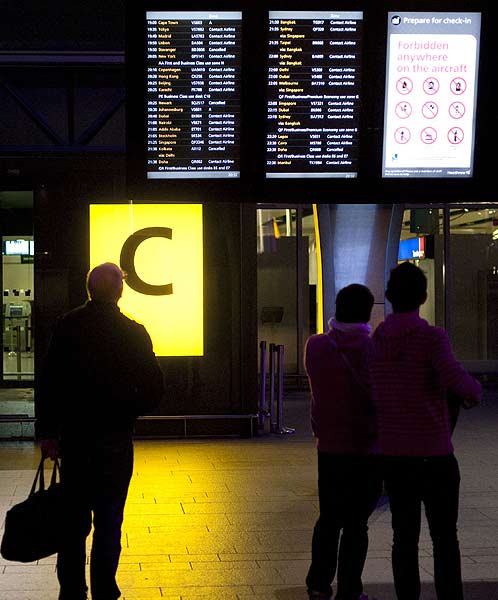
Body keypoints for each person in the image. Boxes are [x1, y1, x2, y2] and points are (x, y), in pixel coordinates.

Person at [36, 262, 165, 600]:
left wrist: (48, 432)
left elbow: (49, 383)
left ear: (89, 289)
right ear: (120, 291)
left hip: (75, 441)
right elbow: (154, 388)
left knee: (73, 520)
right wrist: (128, 410)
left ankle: (72, 589)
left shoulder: (67, 327)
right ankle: (105, 588)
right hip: (115, 442)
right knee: (109, 521)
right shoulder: (133, 332)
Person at [370, 261, 481, 600]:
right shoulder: (432, 337)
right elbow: (461, 384)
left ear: (389, 296)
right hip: (434, 456)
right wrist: (473, 390)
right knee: (445, 538)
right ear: (423, 296)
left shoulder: (378, 339)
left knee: (403, 537)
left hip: (394, 456)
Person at [304, 283, 382, 600]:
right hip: (368, 447)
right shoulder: (375, 349)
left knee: (328, 519)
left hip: (330, 447)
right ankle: (350, 589)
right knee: (356, 524)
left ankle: (318, 583)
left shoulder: (316, 346)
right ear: (368, 312)